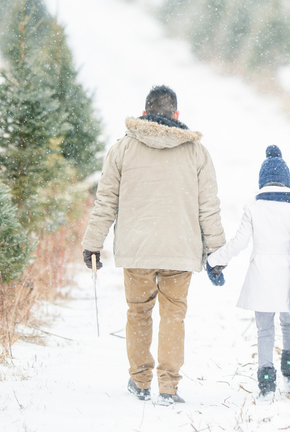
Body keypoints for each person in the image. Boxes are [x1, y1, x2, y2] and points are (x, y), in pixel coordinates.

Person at [81, 85, 226, 406]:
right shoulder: (196, 153)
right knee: (174, 315)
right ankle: (169, 387)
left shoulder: (122, 149)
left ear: (145, 113)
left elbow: (105, 201)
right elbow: (209, 207)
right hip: (180, 250)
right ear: (176, 115)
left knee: (138, 313)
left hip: (137, 250)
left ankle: (140, 381)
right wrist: (217, 251)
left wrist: (92, 244)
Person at [206, 145, 290, 401]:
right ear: (287, 181)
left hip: (261, 279)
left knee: (264, 330)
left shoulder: (253, 208)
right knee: (289, 323)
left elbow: (238, 243)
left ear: (262, 182)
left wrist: (215, 260)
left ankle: (266, 382)